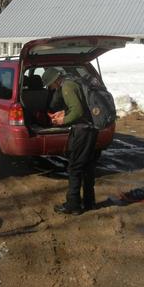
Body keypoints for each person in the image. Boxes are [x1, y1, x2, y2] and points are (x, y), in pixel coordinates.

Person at [42, 67, 98, 215]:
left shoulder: (67, 87)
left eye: (50, 85)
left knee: (75, 167)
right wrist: (64, 112)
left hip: (82, 131)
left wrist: (63, 120)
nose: (51, 88)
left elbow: (78, 111)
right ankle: (89, 201)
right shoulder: (73, 82)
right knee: (87, 165)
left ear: (54, 80)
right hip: (90, 129)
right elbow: (79, 107)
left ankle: (73, 204)